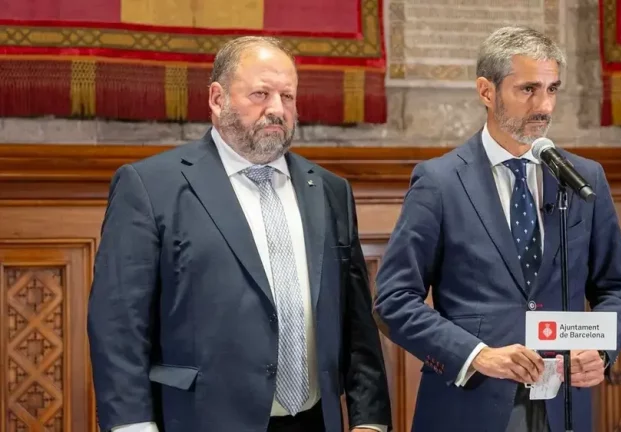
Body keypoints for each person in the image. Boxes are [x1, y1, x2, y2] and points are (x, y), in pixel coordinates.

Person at [87, 36, 392, 432]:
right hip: (202, 420)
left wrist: (370, 421)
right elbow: (118, 325)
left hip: (314, 420)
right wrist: (132, 426)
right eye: (260, 94)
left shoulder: (330, 190)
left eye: (288, 96)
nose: (277, 110)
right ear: (217, 99)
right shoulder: (150, 186)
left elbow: (355, 323)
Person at [373, 26, 621, 432]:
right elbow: (393, 299)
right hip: (469, 403)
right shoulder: (440, 181)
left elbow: (618, 287)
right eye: (528, 89)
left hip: (563, 407)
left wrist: (601, 349)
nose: (544, 105)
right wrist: (476, 354)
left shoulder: (583, 178)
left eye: (552, 89)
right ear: (486, 91)